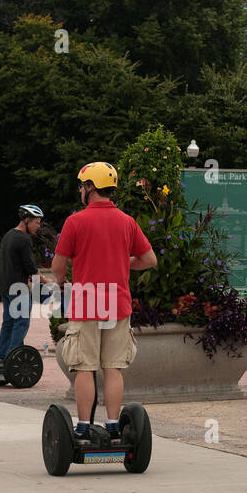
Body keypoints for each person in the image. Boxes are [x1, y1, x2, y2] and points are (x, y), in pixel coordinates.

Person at [51, 163, 156, 440]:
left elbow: (58, 265)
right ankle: (112, 425)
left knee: (85, 368)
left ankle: (83, 427)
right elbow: (149, 260)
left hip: (87, 304)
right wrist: (124, 263)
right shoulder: (127, 221)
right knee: (113, 368)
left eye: (82, 186)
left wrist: (61, 281)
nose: (80, 190)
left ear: (90, 188)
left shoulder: (76, 221)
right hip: (118, 305)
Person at [0, 204, 45, 378]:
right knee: (21, 323)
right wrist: (47, 280)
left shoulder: (8, 235)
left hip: (5, 286)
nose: (38, 226)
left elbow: (16, 264)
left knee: (8, 322)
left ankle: (0, 358)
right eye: (36, 222)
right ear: (26, 220)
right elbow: (30, 267)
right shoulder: (23, 239)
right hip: (18, 288)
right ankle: (10, 357)